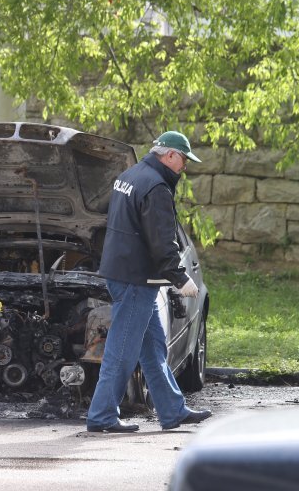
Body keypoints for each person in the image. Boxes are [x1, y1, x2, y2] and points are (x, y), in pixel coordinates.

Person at [86, 130, 212, 433]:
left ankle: (172, 411)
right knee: (123, 351)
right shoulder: (156, 188)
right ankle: (102, 416)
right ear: (168, 155)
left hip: (125, 273)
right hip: (135, 280)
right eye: (183, 160)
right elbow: (161, 242)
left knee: (153, 347)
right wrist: (180, 279)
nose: (184, 167)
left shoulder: (129, 175)